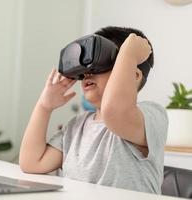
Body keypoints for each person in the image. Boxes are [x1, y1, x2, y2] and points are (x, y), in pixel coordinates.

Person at [19, 26, 168, 194]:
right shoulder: (76, 126)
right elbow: (32, 162)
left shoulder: (151, 115)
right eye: (84, 71)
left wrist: (129, 53)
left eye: (99, 65)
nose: (87, 74)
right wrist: (44, 107)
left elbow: (115, 112)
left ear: (134, 75)